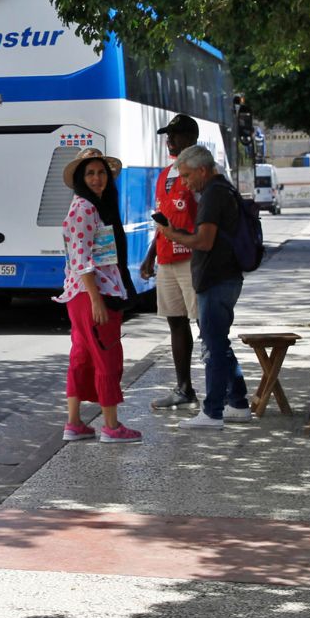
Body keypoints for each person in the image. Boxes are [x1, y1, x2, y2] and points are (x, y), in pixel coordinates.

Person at [155, 145, 250, 430]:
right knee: (218, 341)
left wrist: (173, 234)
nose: (184, 183)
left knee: (213, 345)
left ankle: (212, 412)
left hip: (216, 278)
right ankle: (238, 403)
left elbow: (204, 241)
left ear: (203, 170)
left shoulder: (212, 195)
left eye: (187, 176)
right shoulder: (224, 189)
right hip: (225, 276)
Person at [53, 148, 142, 444]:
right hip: (93, 295)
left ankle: (75, 423)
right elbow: (82, 260)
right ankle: (111, 427)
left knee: (81, 357)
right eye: (90, 173)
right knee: (107, 357)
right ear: (80, 178)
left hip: (83, 295)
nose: (96, 178)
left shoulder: (93, 206)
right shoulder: (85, 209)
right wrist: (96, 300)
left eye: (101, 172)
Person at [139, 114, 201, 409]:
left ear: (191, 138)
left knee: (205, 323)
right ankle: (184, 389)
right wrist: (150, 255)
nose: (170, 140)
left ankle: (226, 390)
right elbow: (162, 221)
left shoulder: (201, 173)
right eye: (168, 136)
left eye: (175, 135)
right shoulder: (165, 175)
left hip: (193, 259)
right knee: (176, 322)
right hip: (166, 259)